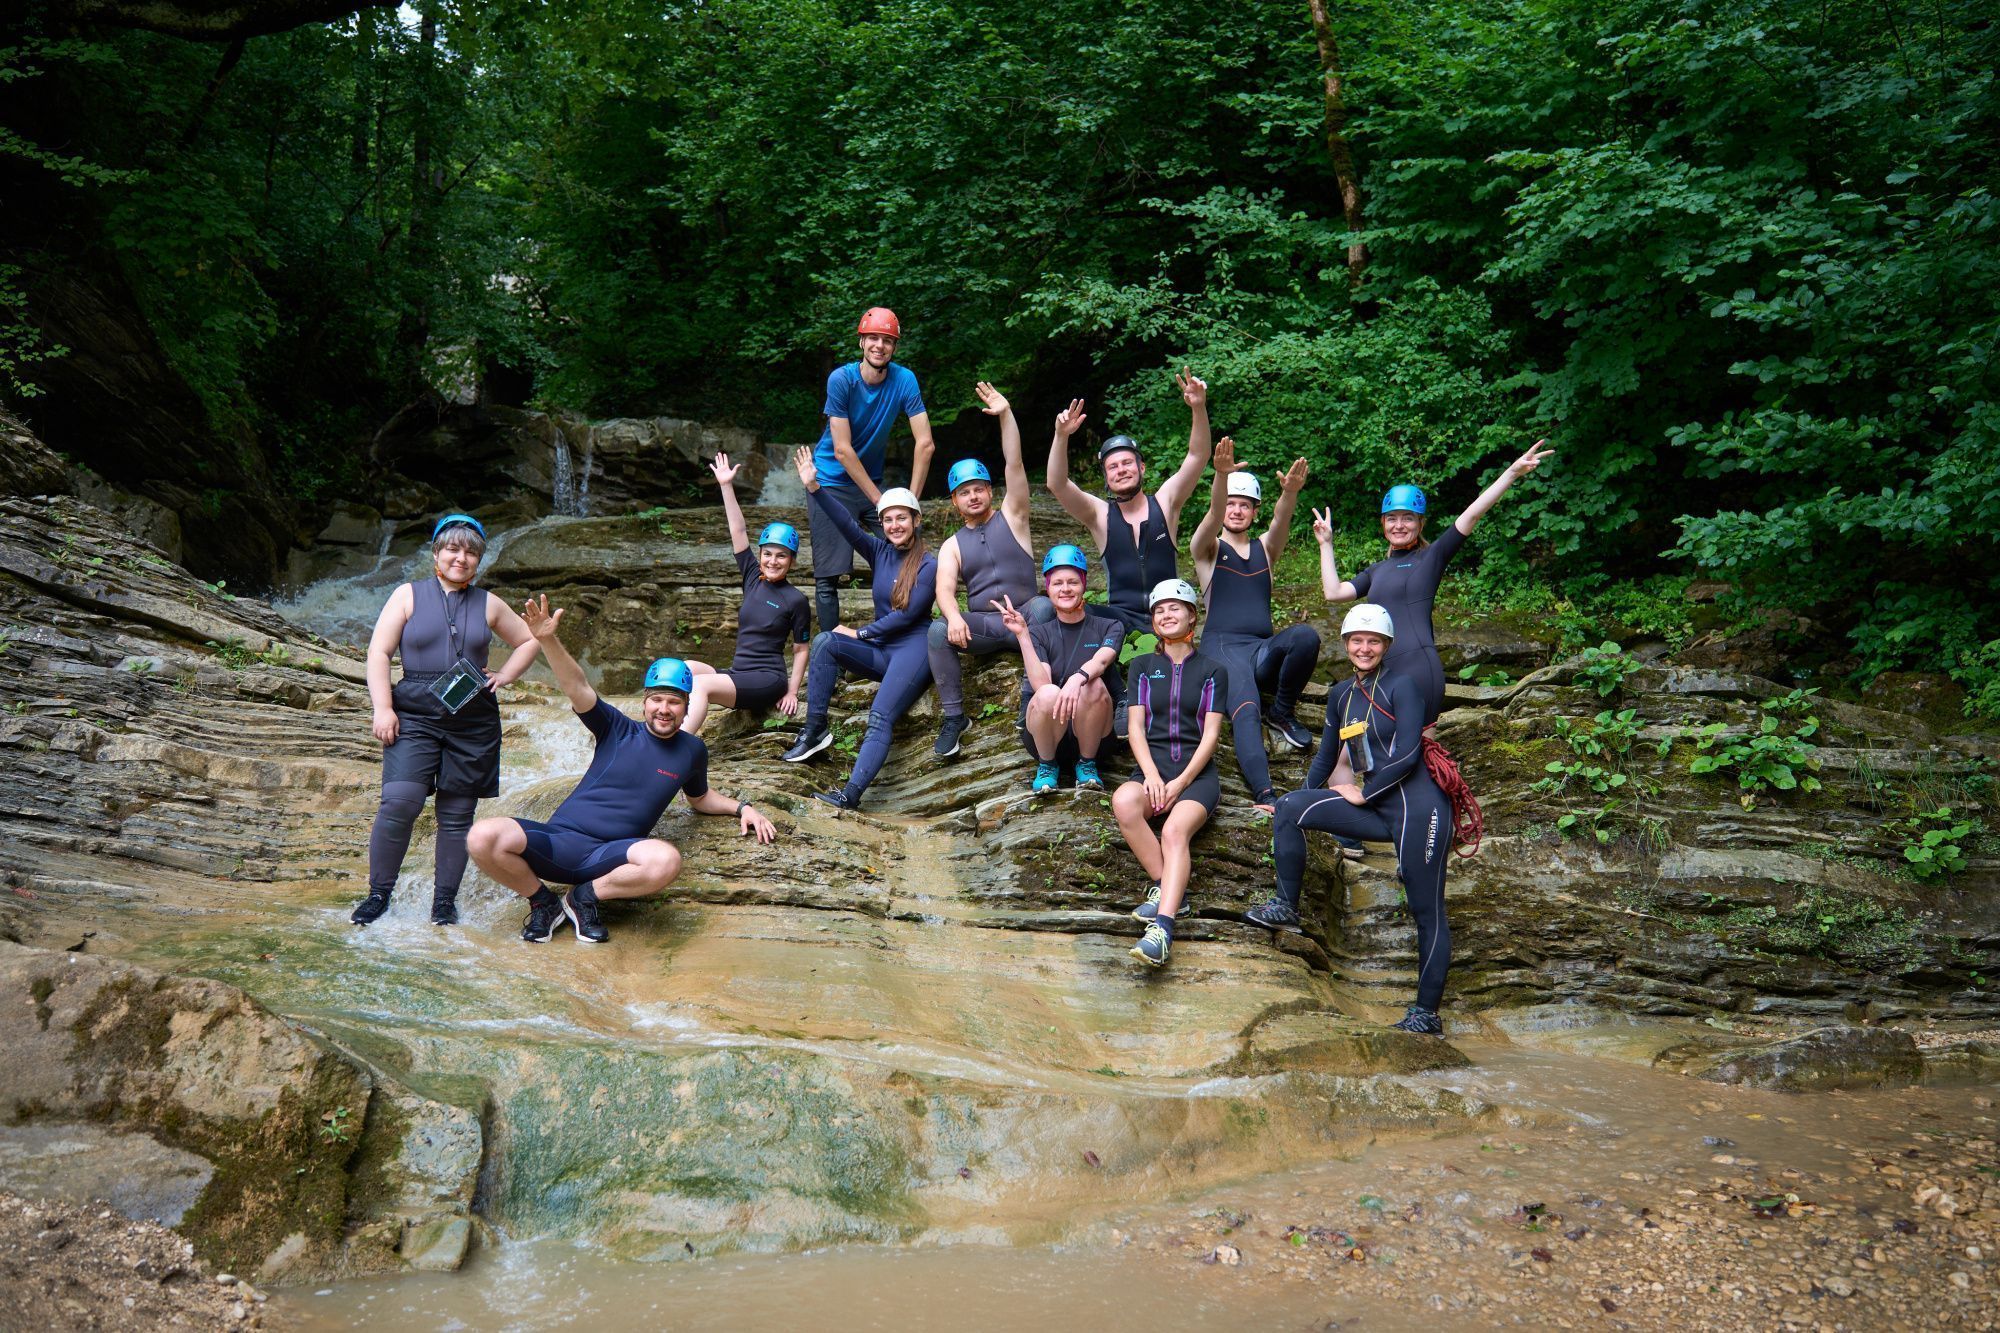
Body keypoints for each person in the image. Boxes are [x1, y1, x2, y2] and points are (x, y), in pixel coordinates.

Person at [465, 598, 778, 946]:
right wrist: (547, 639)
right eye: (657, 700)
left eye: (674, 702)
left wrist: (742, 808)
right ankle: (543, 902)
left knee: (665, 860)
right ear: (644, 702)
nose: (664, 709)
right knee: (482, 837)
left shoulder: (692, 751)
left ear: (687, 707)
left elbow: (700, 798)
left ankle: (583, 898)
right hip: (558, 844)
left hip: (610, 857)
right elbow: (577, 686)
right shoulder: (616, 728)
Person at [1246, 605, 1456, 1035]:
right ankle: (1285, 907)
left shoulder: (1404, 685)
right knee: (1289, 808)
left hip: (1420, 809)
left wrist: (1363, 792)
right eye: (1356, 640)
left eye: (1373, 641)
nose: (1364, 647)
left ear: (1386, 646)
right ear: (1345, 645)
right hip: (1379, 807)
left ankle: (1425, 1014)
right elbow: (1326, 755)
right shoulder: (1342, 694)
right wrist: (1300, 795)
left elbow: (1407, 754)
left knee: (1426, 910)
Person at [352, 514, 541, 927]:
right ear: (436, 553)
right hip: (414, 713)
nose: (462, 558)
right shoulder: (407, 595)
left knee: (457, 817)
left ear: (478, 561)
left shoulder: (489, 603)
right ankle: (378, 894)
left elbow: (528, 640)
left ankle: (443, 903)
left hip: (472, 720)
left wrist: (506, 673)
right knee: (400, 802)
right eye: (453, 549)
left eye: (471, 552)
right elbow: (379, 653)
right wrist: (383, 708)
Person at [1318, 440, 1554, 723]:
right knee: (1381, 757)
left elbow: (1472, 514)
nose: (1399, 525)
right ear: (1383, 524)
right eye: (1391, 518)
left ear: (1420, 524)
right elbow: (1334, 592)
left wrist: (1512, 473)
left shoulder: (1430, 557)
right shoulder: (1375, 570)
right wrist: (1325, 544)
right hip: (1381, 670)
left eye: (1408, 518)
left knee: (1416, 754)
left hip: (1418, 668)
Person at [781, 446, 937, 809]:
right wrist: (815, 487)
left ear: (916, 520)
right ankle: (815, 730)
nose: (895, 525)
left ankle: (850, 795)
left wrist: (861, 632)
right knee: (825, 641)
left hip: (912, 651)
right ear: (881, 524)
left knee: (880, 716)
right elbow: (846, 525)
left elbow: (908, 615)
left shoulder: (930, 563)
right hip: (882, 652)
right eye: (888, 519)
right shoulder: (879, 551)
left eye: (902, 518)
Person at [1188, 437, 1318, 811]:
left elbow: (1282, 520)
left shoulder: (1265, 549)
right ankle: (1265, 794)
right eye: (1231, 503)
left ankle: (1281, 710)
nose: (1236, 510)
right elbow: (1212, 516)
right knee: (1245, 705)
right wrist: (1221, 476)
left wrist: (1290, 493)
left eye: (1245, 505)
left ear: (1254, 511)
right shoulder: (1208, 548)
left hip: (1260, 650)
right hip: (1222, 649)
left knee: (1305, 636)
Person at [928, 382, 1055, 757]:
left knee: (1047, 607)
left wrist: (1006, 415)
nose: (973, 495)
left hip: (1028, 614)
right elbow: (944, 590)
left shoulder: (1014, 515)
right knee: (937, 631)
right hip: (986, 625)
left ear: (990, 490)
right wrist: (952, 617)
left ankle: (1030, 700)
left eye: (979, 488)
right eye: (964, 492)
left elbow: (1014, 463)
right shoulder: (952, 545)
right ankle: (954, 718)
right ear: (954, 501)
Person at [1044, 372, 1213, 636]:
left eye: (1126, 463)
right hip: (1120, 620)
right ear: (1106, 477)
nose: (1121, 470)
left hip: (1167, 613)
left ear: (1141, 467)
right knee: (1065, 609)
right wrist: (1061, 436)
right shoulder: (1098, 514)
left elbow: (1198, 455)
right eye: (1112, 466)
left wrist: (1198, 407)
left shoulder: (1166, 502)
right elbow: (1057, 483)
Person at [1114, 579, 1229, 968]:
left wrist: (1180, 783)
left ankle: (1162, 928)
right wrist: (1151, 775)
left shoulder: (1214, 670)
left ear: (1192, 616)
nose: (1166, 614)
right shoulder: (1142, 667)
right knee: (1124, 802)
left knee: (1174, 831)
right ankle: (1169, 890)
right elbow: (1135, 728)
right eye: (1159, 609)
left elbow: (1211, 736)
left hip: (1197, 778)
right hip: (1153, 771)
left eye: (1175, 607)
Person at [808, 306, 935, 636]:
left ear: (894, 347)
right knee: (827, 577)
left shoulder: (904, 379)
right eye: (873, 338)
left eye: (887, 340)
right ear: (862, 342)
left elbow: (925, 444)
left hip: (872, 485)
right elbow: (842, 449)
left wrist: (908, 504)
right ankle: (833, 654)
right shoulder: (842, 380)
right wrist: (883, 503)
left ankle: (896, 635)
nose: (880, 345)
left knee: (908, 553)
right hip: (832, 482)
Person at [681, 452, 811, 735]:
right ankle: (658, 730)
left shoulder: (796, 600)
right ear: (760, 555)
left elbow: (801, 650)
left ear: (792, 561)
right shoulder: (753, 578)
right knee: (682, 669)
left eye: (781, 556)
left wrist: (791, 691)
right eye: (767, 554)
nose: (773, 561)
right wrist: (726, 486)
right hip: (738, 674)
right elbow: (738, 531)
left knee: (700, 685)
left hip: (767, 679)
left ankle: (675, 748)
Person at [998, 545, 1124, 793]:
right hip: (1047, 735)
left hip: (1094, 735)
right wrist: (1023, 636)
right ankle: (1047, 766)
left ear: (1083, 585)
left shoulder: (1110, 626)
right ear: (1048, 588)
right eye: (1057, 583)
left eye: (1072, 582)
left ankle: (1087, 765)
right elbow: (1040, 684)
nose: (1065, 589)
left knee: (1093, 683)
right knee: (1046, 692)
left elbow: (1101, 660)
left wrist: (1076, 679)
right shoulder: (1039, 632)